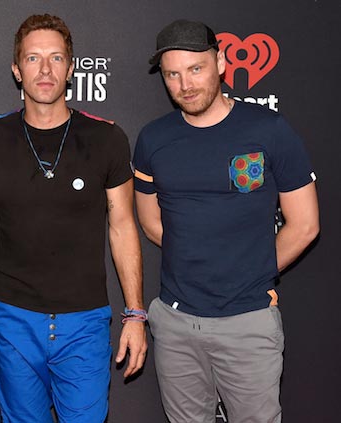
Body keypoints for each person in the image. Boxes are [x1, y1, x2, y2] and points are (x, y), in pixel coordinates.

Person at [134, 19, 320, 423]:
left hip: (249, 321)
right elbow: (150, 220)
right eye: (173, 74)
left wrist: (249, 273)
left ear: (219, 62)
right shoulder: (153, 139)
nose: (185, 84)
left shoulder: (268, 129)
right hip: (176, 321)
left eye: (195, 68)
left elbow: (305, 224)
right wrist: (196, 258)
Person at [0, 14, 147, 423]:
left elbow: (123, 226)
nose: (45, 70)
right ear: (17, 70)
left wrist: (135, 313)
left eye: (55, 58)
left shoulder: (106, 138)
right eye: (33, 59)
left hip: (84, 323)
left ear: (71, 67)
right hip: (12, 318)